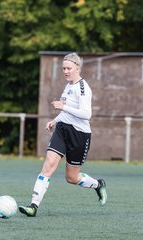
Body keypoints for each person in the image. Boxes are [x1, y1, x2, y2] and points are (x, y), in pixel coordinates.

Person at [19, 52, 107, 217]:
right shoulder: (68, 85)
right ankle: (33, 206)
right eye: (64, 68)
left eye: (69, 68)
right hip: (62, 130)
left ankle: (97, 184)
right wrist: (55, 120)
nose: (66, 71)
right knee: (48, 167)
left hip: (79, 135)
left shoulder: (83, 88)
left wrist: (63, 108)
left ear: (77, 68)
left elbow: (86, 114)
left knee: (72, 178)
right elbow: (66, 111)